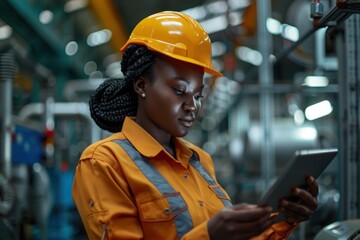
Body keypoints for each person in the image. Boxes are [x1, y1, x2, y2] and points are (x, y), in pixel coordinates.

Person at [72, 11, 319, 240]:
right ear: (141, 86)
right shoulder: (104, 163)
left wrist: (284, 220)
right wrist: (210, 235)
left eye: (198, 95)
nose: (193, 105)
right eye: (180, 90)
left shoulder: (199, 160)